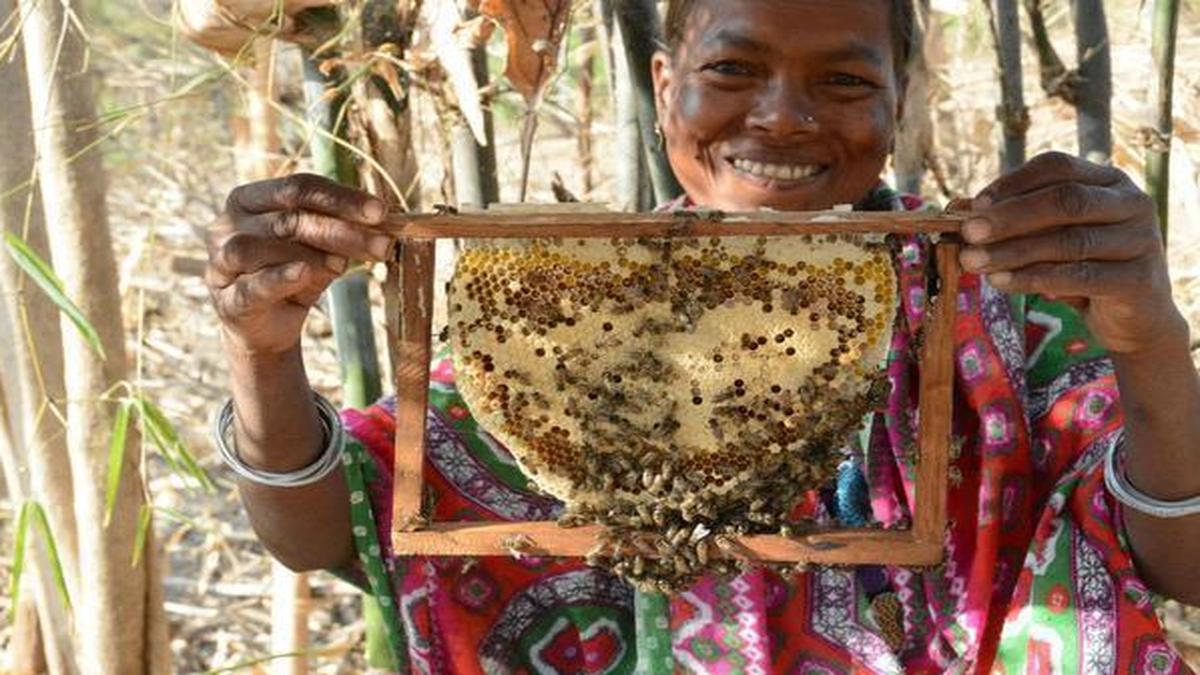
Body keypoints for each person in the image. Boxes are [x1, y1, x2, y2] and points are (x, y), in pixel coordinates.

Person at [204, 0, 1200, 671]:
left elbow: (1182, 561)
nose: (783, 116)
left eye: (845, 82)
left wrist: (1150, 339)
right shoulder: (573, 303)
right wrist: (262, 352)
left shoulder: (1001, 304)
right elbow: (330, 529)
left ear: (901, 98)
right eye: (731, 67)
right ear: (663, 81)